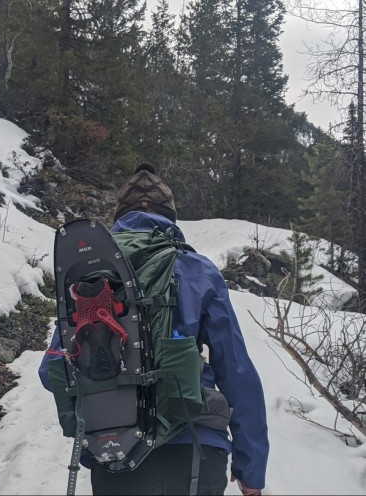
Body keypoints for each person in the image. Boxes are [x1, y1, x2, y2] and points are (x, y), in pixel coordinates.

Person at [39, 163, 269, 496]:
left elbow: (51, 370)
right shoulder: (197, 270)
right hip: (196, 447)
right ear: (171, 220)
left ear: (118, 220)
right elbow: (236, 370)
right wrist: (251, 467)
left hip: (117, 452)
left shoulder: (89, 277)